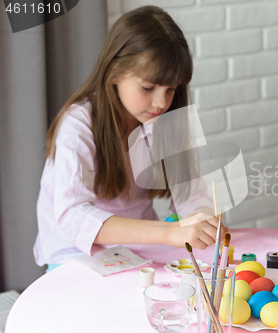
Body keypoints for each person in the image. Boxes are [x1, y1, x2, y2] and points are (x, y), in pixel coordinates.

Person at [34, 6, 223, 271]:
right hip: (75, 254)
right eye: (148, 87)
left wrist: (200, 217)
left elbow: (189, 191)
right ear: (114, 73)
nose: (161, 102)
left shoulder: (164, 120)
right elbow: (71, 217)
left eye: (171, 89)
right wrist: (169, 232)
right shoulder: (78, 125)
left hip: (141, 248)